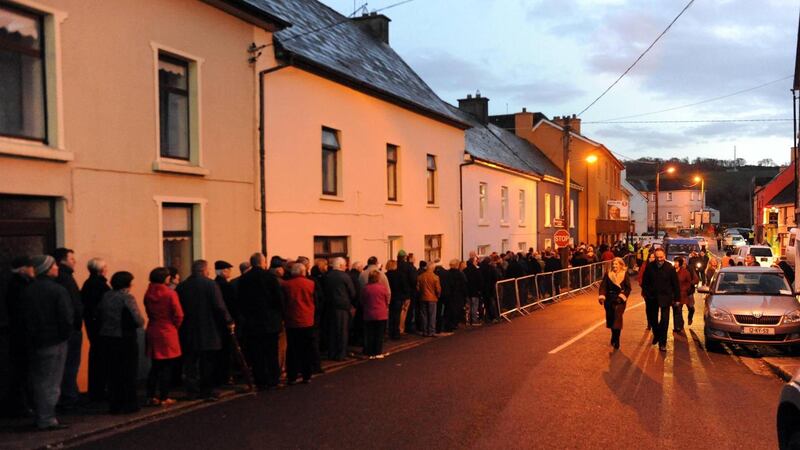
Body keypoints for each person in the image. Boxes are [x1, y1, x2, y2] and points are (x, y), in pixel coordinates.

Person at [22, 255, 72, 430]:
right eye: (54, 266)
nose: (57, 268)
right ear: (48, 269)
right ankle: (47, 418)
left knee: (38, 379)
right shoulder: (57, 290)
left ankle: (40, 414)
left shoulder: (28, 290)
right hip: (54, 340)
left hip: (34, 340)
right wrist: (65, 335)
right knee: (51, 381)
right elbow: (66, 318)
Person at [175, 260, 233, 400]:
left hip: (188, 329)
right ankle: (207, 389)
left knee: (191, 362)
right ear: (204, 270)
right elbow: (219, 306)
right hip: (209, 328)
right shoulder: (210, 285)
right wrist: (228, 320)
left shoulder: (182, 286)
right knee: (207, 361)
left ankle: (192, 390)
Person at [96, 271, 144, 414]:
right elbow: (138, 319)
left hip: (108, 336)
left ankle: (115, 403)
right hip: (125, 337)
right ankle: (129, 403)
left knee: (113, 372)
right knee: (128, 371)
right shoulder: (127, 297)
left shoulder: (106, 296)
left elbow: (99, 312)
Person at [238, 253, 284, 390]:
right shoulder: (270, 277)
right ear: (263, 262)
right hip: (270, 321)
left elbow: (241, 301)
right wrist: (279, 316)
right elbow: (278, 299)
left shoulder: (244, 279)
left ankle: (260, 380)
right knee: (271, 352)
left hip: (252, 322)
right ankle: (273, 379)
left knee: (256, 352)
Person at [144, 267, 184, 407]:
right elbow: (178, 314)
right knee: (167, 366)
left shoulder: (148, 292)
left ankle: (150, 395)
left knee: (155, 366)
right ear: (164, 278)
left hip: (153, 328)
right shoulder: (170, 293)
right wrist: (174, 326)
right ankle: (164, 396)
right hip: (167, 330)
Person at [3, 257, 34, 417]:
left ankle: (20, 404)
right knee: (22, 371)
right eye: (30, 267)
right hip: (22, 335)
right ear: (23, 269)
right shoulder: (20, 287)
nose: (32, 270)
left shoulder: (14, 285)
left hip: (17, 333)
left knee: (20, 371)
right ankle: (20, 405)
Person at [52, 248, 83, 409]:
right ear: (62, 261)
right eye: (71, 258)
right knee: (70, 364)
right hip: (70, 329)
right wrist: (76, 323)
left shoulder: (61, 278)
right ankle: (70, 397)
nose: (74, 261)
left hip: (67, 328)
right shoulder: (66, 279)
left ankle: (69, 395)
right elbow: (74, 305)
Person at [80, 258, 110, 402]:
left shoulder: (88, 283)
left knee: (97, 355)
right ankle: (100, 390)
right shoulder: (100, 285)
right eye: (105, 266)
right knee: (101, 356)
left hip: (92, 325)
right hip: (100, 326)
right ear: (101, 269)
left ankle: (96, 389)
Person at [282, 263, 316, 384]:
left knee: (292, 349)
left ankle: (292, 376)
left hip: (291, 320)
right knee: (306, 348)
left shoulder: (286, 285)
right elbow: (316, 300)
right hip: (307, 319)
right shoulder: (311, 284)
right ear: (303, 272)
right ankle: (307, 374)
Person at [641, 248, 680, 352]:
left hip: (666, 298)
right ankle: (657, 334)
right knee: (653, 319)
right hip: (652, 298)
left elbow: (675, 284)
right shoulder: (650, 267)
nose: (659, 259)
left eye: (661, 257)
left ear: (665, 256)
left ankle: (662, 343)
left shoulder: (670, 268)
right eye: (657, 257)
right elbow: (645, 282)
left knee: (665, 321)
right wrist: (647, 294)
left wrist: (677, 298)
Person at [322, 257, 355, 360]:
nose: (346, 267)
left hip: (330, 306)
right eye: (345, 265)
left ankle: (332, 353)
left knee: (332, 331)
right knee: (342, 331)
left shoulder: (327, 276)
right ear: (341, 265)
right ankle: (341, 354)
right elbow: (352, 292)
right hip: (342, 306)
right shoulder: (345, 276)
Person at [599, 257, 631, 350]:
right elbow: (603, 286)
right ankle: (613, 335)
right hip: (609, 300)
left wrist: (621, 297)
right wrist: (602, 296)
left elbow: (628, 288)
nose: (614, 266)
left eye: (616, 264)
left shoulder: (625, 274)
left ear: (621, 265)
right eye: (613, 264)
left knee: (617, 319)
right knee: (611, 319)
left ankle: (617, 339)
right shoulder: (608, 274)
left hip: (620, 300)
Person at [213, 260, 236, 386]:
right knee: (227, 351)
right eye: (228, 270)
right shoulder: (225, 286)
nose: (230, 272)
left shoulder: (214, 284)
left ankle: (220, 375)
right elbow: (231, 304)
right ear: (223, 271)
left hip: (217, 322)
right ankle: (226, 376)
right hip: (226, 322)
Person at [361, 270, 390, 357]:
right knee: (379, 334)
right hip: (381, 313)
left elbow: (362, 300)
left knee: (370, 333)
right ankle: (378, 351)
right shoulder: (382, 288)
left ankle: (369, 351)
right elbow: (386, 300)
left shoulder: (365, 288)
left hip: (369, 313)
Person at [672, 257, 699, 332]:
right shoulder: (673, 270)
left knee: (691, 308)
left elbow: (694, 280)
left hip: (688, 293)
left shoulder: (689, 269)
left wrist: (689, 287)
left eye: (683, 262)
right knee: (677, 310)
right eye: (675, 262)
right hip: (675, 294)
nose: (682, 263)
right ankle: (678, 326)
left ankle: (689, 317)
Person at [416, 263, 441, 337]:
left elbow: (417, 288)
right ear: (433, 268)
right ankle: (431, 331)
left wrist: (421, 293)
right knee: (432, 315)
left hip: (423, 297)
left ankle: (425, 331)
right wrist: (438, 296)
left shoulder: (420, 277)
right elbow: (438, 289)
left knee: (424, 315)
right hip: (432, 298)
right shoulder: (435, 277)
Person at [445, 259, 468, 331]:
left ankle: (449, 324)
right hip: (458, 295)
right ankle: (454, 324)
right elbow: (464, 285)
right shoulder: (460, 274)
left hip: (449, 294)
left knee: (449, 309)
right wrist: (465, 295)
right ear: (457, 265)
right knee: (457, 309)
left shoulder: (447, 273)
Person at [638, 252, 657, 330]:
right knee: (648, 307)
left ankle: (654, 323)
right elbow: (640, 277)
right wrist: (643, 286)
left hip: (656, 291)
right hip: (647, 291)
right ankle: (649, 323)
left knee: (655, 308)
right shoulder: (644, 266)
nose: (652, 259)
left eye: (653, 257)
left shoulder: (658, 266)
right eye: (650, 257)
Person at [464, 255, 483, 326]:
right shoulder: (476, 270)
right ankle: (474, 320)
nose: (476, 262)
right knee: (474, 306)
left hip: (468, 292)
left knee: (468, 307)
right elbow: (480, 281)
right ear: (473, 262)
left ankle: (468, 321)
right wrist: (480, 290)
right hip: (475, 291)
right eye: (475, 261)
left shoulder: (465, 270)